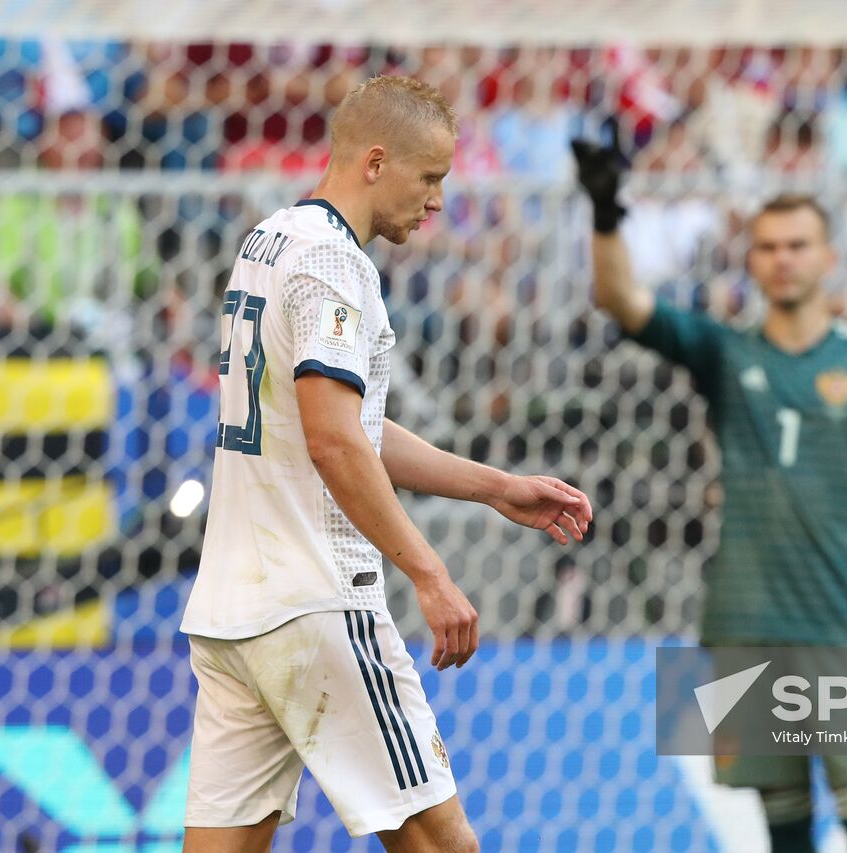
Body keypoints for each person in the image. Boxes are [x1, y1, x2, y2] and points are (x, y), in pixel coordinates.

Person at [180, 76, 593, 853]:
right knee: (442, 843)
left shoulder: (269, 241)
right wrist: (428, 572)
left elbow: (346, 422)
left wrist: (497, 486)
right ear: (375, 162)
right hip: (317, 602)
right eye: (430, 177)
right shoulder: (336, 265)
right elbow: (335, 441)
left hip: (234, 611)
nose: (438, 200)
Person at [572, 130, 847, 853]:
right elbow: (621, 299)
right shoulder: (724, 350)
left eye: (798, 244)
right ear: (751, 260)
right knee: (784, 828)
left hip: (840, 621)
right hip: (745, 618)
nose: (783, 259)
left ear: (829, 257)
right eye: (769, 246)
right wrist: (606, 211)